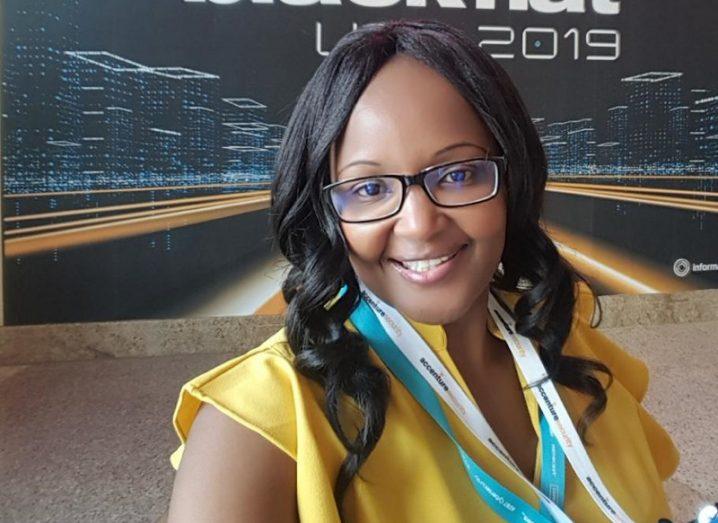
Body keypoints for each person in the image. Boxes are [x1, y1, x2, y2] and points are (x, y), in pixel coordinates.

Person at [165, 19, 679, 522]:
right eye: (370, 188)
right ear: (328, 213)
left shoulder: (568, 348)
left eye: (457, 174)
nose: (420, 225)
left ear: (510, 181)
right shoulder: (255, 430)